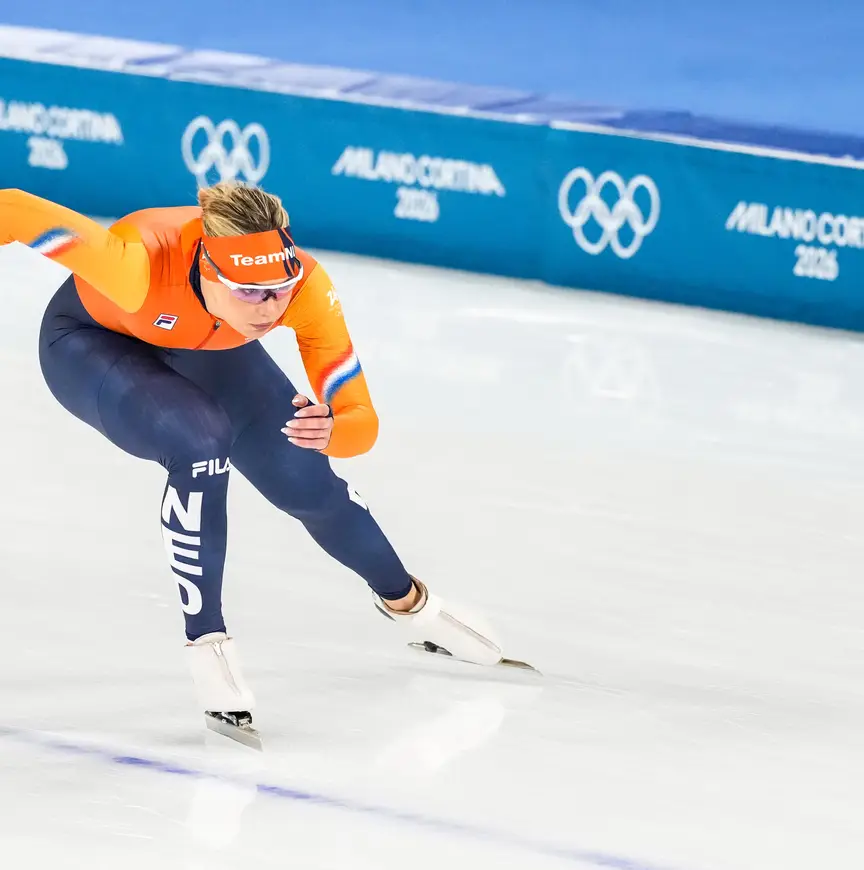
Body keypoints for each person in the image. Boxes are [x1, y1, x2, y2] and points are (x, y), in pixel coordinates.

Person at [0, 182, 506, 739]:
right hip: (92, 345)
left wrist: (334, 429)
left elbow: (362, 422)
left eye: (279, 289)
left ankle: (413, 606)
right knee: (200, 441)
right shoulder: (134, 262)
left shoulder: (304, 289)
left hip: (212, 347)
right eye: (251, 292)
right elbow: (13, 208)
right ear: (209, 273)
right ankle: (208, 642)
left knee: (307, 483)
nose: (271, 308)